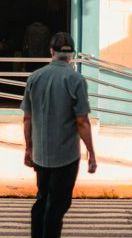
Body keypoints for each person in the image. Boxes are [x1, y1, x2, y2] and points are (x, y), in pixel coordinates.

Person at [20, 32, 97, 238]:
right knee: (57, 206)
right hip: (66, 157)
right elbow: (82, 121)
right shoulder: (76, 80)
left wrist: (28, 148)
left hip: (41, 156)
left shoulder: (34, 78)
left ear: (51, 51)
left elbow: (27, 118)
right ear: (72, 54)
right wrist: (91, 153)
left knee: (42, 201)